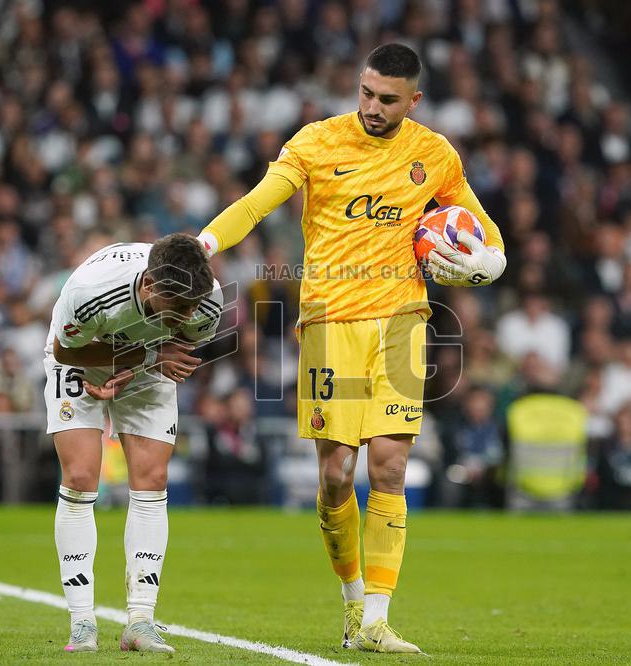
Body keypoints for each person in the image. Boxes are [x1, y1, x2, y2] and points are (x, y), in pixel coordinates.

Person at [197, 44, 506, 653]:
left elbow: (483, 228)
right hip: (329, 323)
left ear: (413, 101)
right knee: (337, 473)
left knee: (389, 467)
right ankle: (352, 599)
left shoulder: (434, 154)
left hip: (402, 323)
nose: (372, 106)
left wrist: (491, 262)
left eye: (387, 99)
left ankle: (377, 622)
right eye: (366, 93)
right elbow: (258, 202)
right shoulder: (317, 141)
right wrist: (205, 244)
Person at [44, 233, 223, 654]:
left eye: (193, 306)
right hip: (84, 349)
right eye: (178, 307)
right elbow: (66, 351)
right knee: (81, 476)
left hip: (148, 358)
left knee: (152, 478)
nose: (188, 315)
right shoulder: (90, 294)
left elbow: (180, 346)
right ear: (149, 286)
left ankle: (141, 621)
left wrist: (138, 365)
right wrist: (134, 361)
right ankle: (82, 623)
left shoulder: (206, 301)